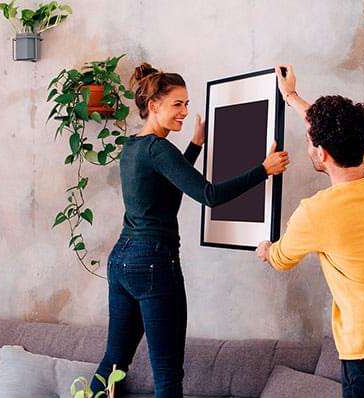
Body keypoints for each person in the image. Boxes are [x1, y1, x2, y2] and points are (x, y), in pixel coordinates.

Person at [91, 63, 290, 398]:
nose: (185, 112)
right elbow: (209, 195)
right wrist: (263, 170)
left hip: (122, 261)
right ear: (154, 106)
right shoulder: (159, 148)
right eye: (177, 104)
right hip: (153, 262)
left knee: (114, 362)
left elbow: (166, 188)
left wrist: (195, 146)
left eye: (187, 103)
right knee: (167, 374)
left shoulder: (133, 146)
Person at [256, 65, 364, 398]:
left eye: (311, 144)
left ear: (321, 153)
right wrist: (291, 96)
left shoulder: (316, 213)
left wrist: (267, 249)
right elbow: (339, 131)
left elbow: (280, 259)